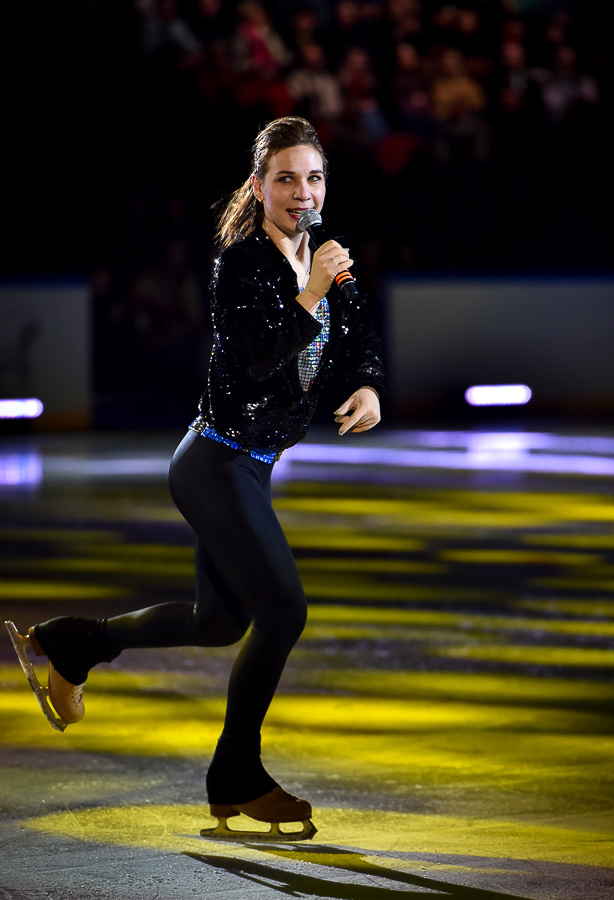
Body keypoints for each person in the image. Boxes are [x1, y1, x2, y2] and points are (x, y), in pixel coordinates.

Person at [7, 116, 385, 842]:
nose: (300, 192)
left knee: (220, 622)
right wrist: (307, 293)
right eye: (284, 178)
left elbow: (360, 337)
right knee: (282, 612)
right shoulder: (240, 266)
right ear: (259, 186)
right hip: (214, 462)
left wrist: (366, 387)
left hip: (252, 467)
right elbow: (254, 360)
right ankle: (235, 773)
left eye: (312, 178)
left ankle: (73, 643)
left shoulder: (330, 260)